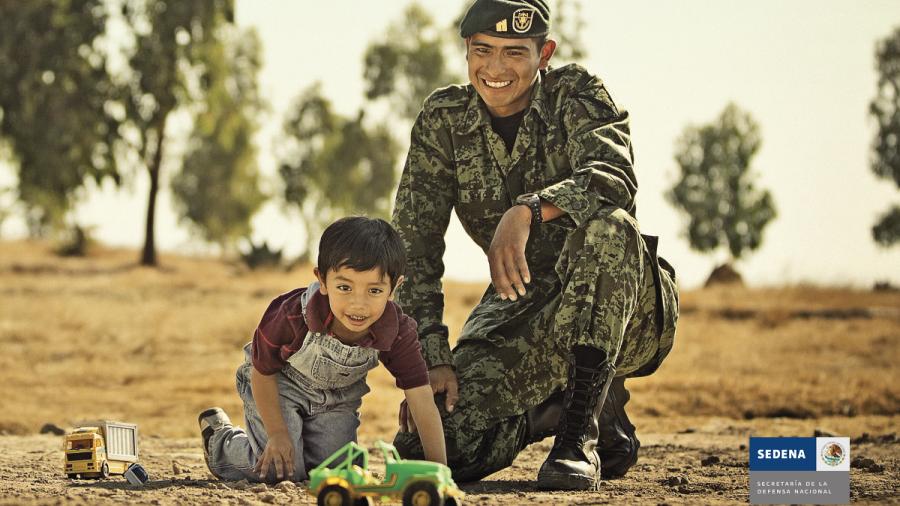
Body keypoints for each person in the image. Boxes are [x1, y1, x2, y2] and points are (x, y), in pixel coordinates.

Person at [391, 0, 679, 491]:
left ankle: (577, 437)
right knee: (432, 444)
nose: (495, 68)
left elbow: (614, 179)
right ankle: (557, 407)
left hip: (624, 305)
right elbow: (412, 248)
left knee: (608, 229)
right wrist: (431, 357)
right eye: (482, 50)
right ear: (466, 51)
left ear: (544, 53)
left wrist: (528, 209)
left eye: (514, 53)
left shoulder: (578, 94)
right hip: (522, 301)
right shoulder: (444, 120)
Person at [198, 217, 446, 482]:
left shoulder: (397, 330)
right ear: (323, 280)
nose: (358, 304)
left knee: (336, 476)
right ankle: (219, 441)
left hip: (338, 401)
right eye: (344, 287)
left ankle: (300, 445)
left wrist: (440, 473)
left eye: (374, 290)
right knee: (280, 470)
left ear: (394, 288)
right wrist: (278, 434)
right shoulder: (292, 315)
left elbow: (421, 398)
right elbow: (262, 372)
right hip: (279, 387)